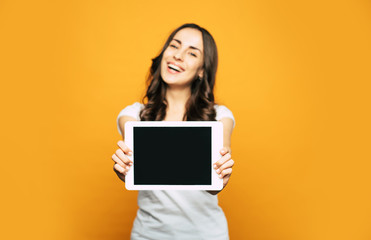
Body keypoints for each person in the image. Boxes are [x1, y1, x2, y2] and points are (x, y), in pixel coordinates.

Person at [111, 23, 235, 240]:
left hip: (207, 235)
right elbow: (130, 153)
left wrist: (220, 179)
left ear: (202, 70)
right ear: (164, 53)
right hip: (148, 234)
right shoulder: (133, 114)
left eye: (192, 53)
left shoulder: (220, 116)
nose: (178, 56)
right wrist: (125, 169)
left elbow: (217, 179)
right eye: (174, 46)